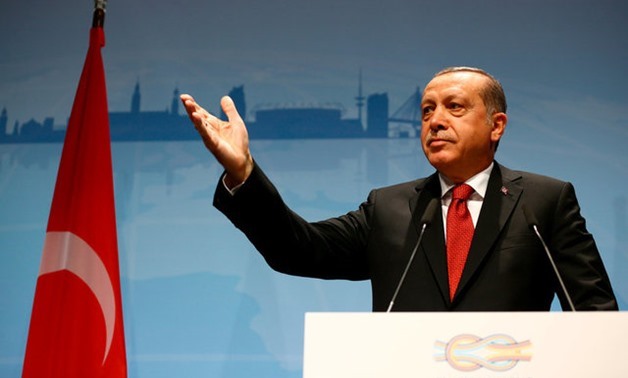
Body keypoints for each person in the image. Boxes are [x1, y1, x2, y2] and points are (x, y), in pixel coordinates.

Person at [180, 66, 617, 311]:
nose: (435, 120)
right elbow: (298, 249)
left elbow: (594, 314)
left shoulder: (545, 202)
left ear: (496, 125)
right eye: (427, 110)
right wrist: (244, 173)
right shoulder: (390, 208)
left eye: (454, 107)